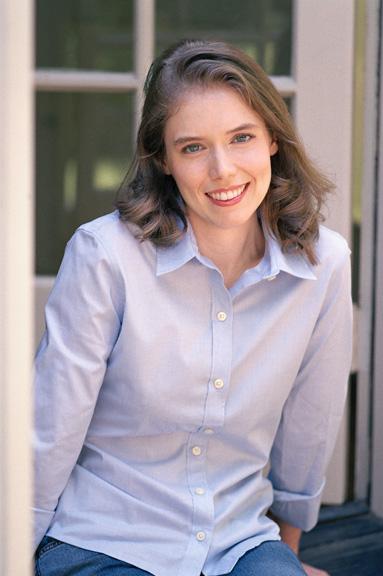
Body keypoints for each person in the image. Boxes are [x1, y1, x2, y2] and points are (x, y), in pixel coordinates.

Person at [33, 39, 352, 576]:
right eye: (193, 148)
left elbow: (309, 424)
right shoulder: (106, 256)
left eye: (242, 137)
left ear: (274, 137)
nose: (223, 170)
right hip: (105, 539)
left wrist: (283, 559)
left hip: (238, 539)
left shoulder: (325, 265)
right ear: (163, 159)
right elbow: (51, 428)